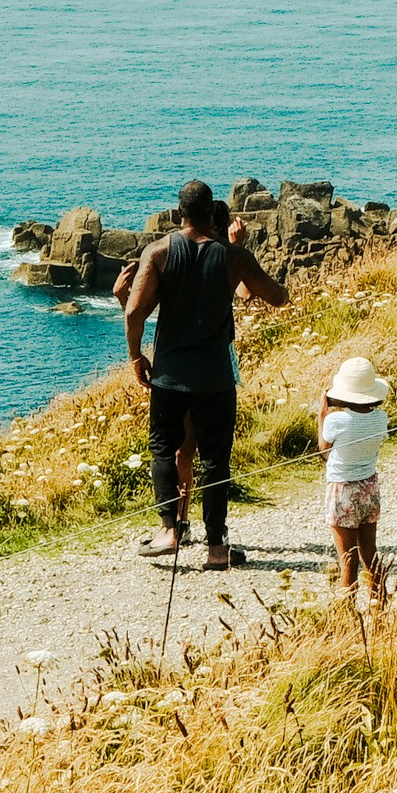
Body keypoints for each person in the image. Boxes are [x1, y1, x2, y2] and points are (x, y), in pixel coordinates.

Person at [124, 182, 288, 569]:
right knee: (216, 460)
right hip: (215, 378)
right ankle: (216, 548)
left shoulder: (160, 251)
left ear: (179, 212)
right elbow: (275, 296)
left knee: (164, 448)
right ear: (213, 214)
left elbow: (134, 312)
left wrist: (136, 357)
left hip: (170, 375)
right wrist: (251, 261)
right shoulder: (234, 258)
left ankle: (168, 531)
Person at [318, 355, 392, 596]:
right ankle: (378, 601)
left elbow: (324, 451)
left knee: (347, 559)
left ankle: (346, 612)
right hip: (369, 487)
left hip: (343, 490)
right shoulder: (381, 419)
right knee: (369, 553)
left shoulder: (336, 420)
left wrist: (322, 416)